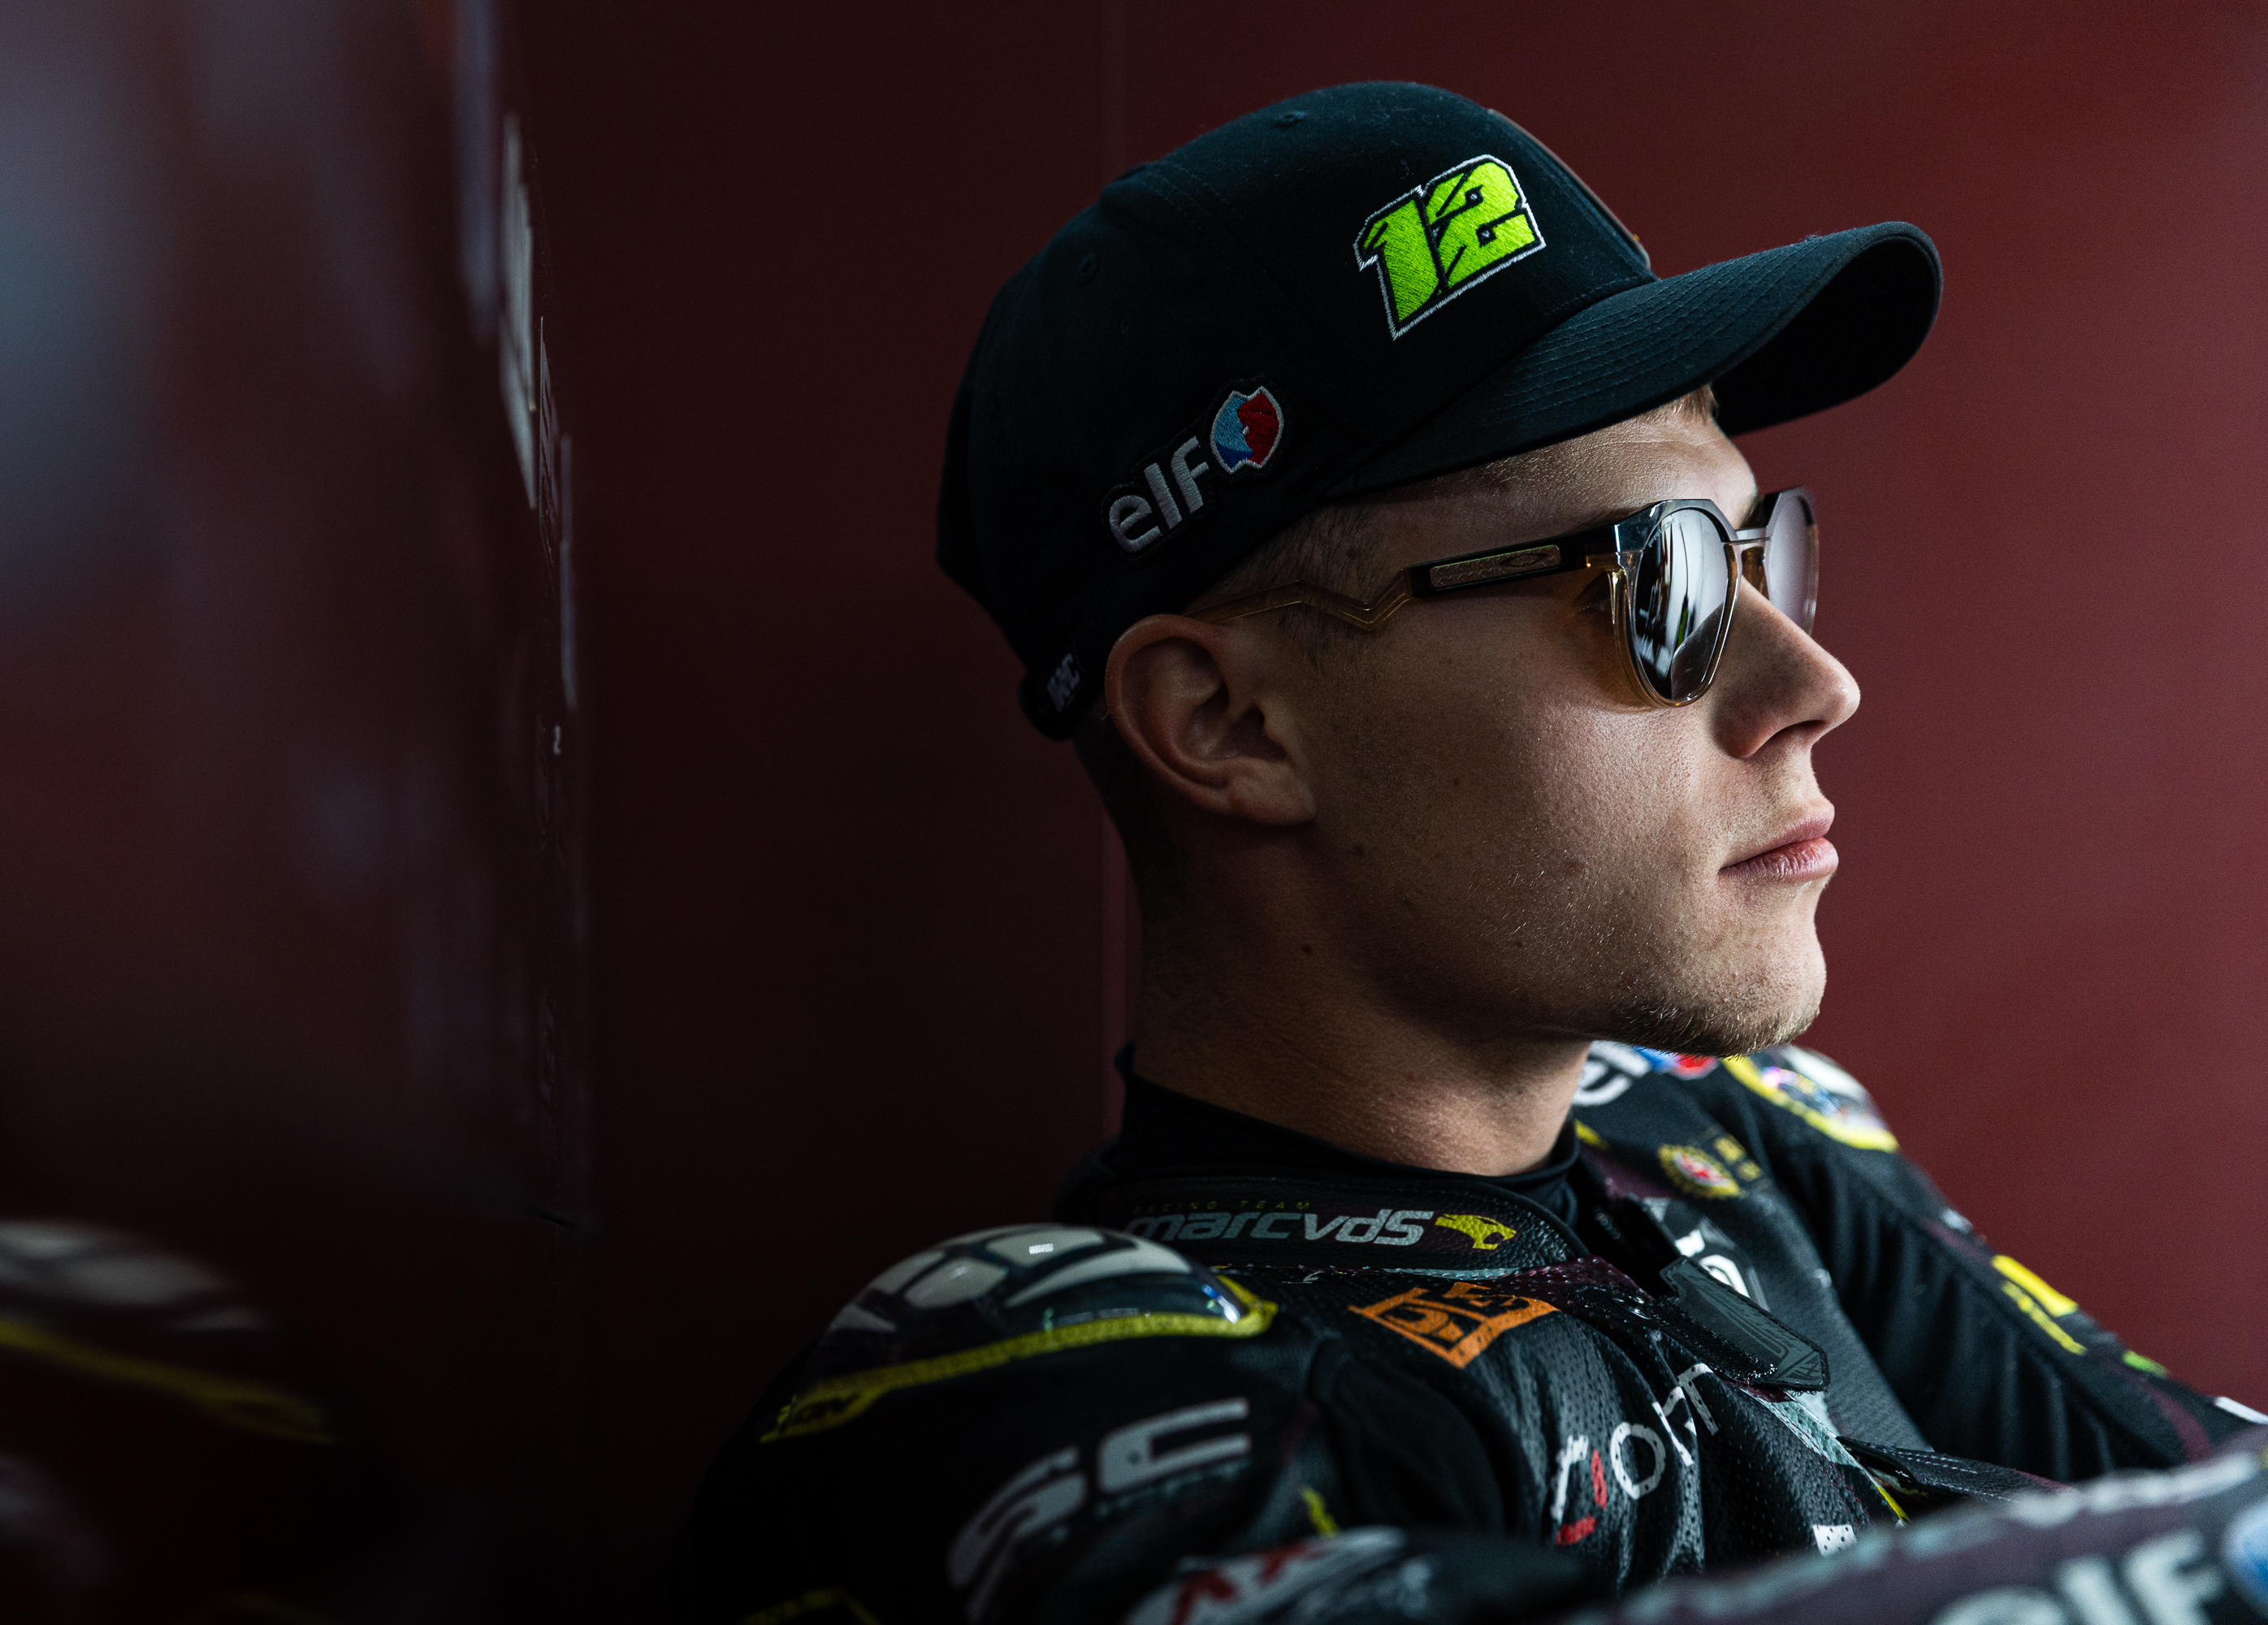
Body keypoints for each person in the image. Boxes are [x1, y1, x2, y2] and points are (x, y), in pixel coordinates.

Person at [673, 82, 2268, 1624]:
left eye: (1757, 550)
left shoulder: (1731, 1129)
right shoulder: (1037, 1387)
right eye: (1660, 580)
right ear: (1231, 725)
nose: (1815, 684)